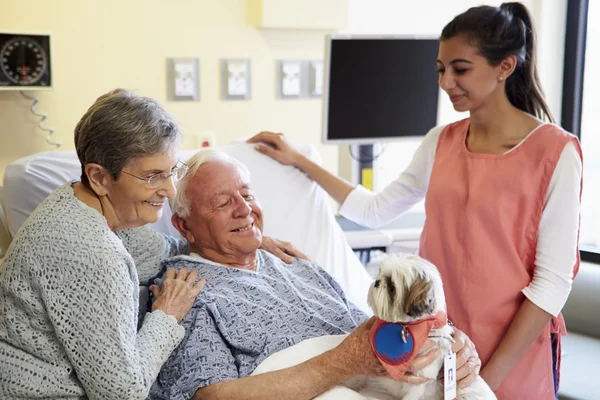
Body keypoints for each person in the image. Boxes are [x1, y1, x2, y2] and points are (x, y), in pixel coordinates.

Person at [247, 3, 583, 400]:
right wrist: (301, 161)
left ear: (505, 66)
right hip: (436, 345)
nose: (446, 81)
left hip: (513, 353)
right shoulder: (440, 142)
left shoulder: (556, 153)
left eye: (460, 69)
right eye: (441, 69)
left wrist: (483, 382)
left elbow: (551, 284)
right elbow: (375, 210)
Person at [0, 89, 304, 400]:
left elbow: (165, 251)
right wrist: (167, 315)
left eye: (172, 170)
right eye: (153, 176)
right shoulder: (91, 253)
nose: (170, 190)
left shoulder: (89, 204)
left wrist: (245, 236)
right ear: (100, 177)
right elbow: (121, 394)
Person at [149, 149, 480, 400]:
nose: (244, 209)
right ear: (184, 226)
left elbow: (376, 329)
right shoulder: (185, 293)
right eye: (223, 203)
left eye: (247, 194)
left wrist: (443, 344)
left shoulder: (297, 263)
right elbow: (209, 396)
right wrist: (343, 363)